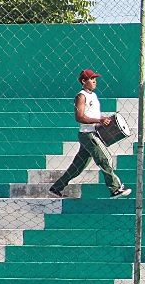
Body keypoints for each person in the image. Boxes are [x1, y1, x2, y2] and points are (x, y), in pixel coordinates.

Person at [49, 68, 132, 199]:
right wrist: (99, 119)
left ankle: (56, 187)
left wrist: (103, 120)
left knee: (77, 167)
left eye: (95, 79)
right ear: (83, 81)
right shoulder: (81, 96)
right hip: (88, 134)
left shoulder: (93, 95)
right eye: (91, 79)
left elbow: (93, 114)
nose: (94, 81)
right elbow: (79, 117)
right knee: (104, 159)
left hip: (93, 132)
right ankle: (115, 189)